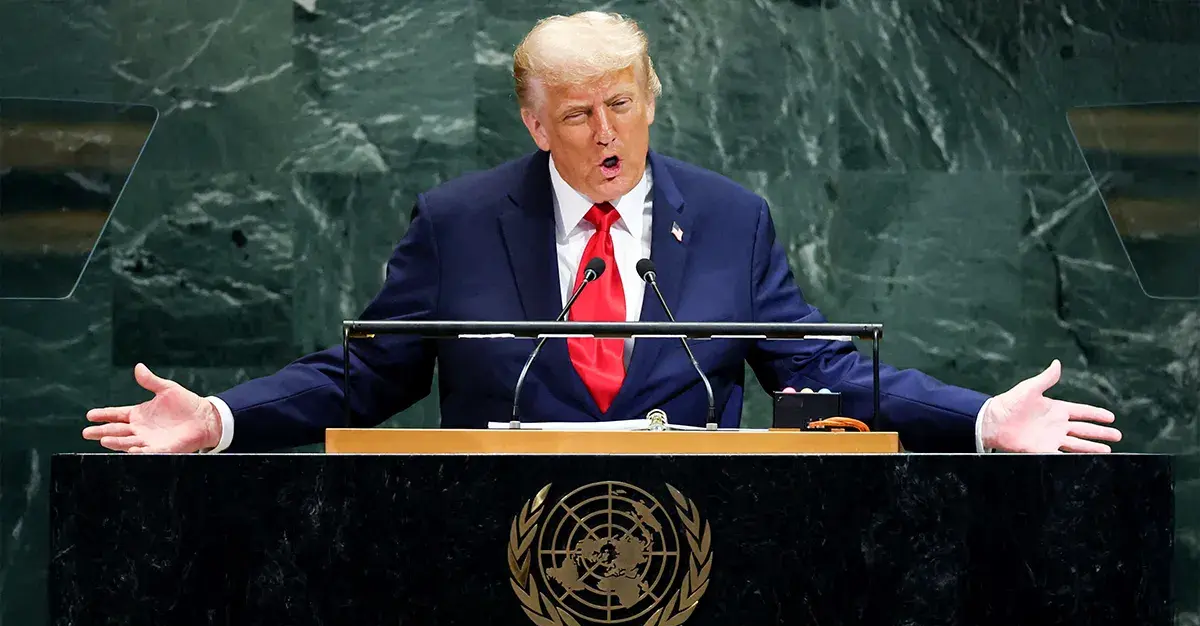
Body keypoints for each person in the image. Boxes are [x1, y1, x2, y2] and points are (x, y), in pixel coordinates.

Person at [82, 11, 1121, 455]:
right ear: (535, 124)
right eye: (578, 114)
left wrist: (984, 420)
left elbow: (823, 370)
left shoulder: (729, 218)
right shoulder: (459, 222)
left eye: (623, 105)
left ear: (651, 101)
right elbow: (367, 375)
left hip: (694, 553)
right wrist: (218, 418)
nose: (606, 133)